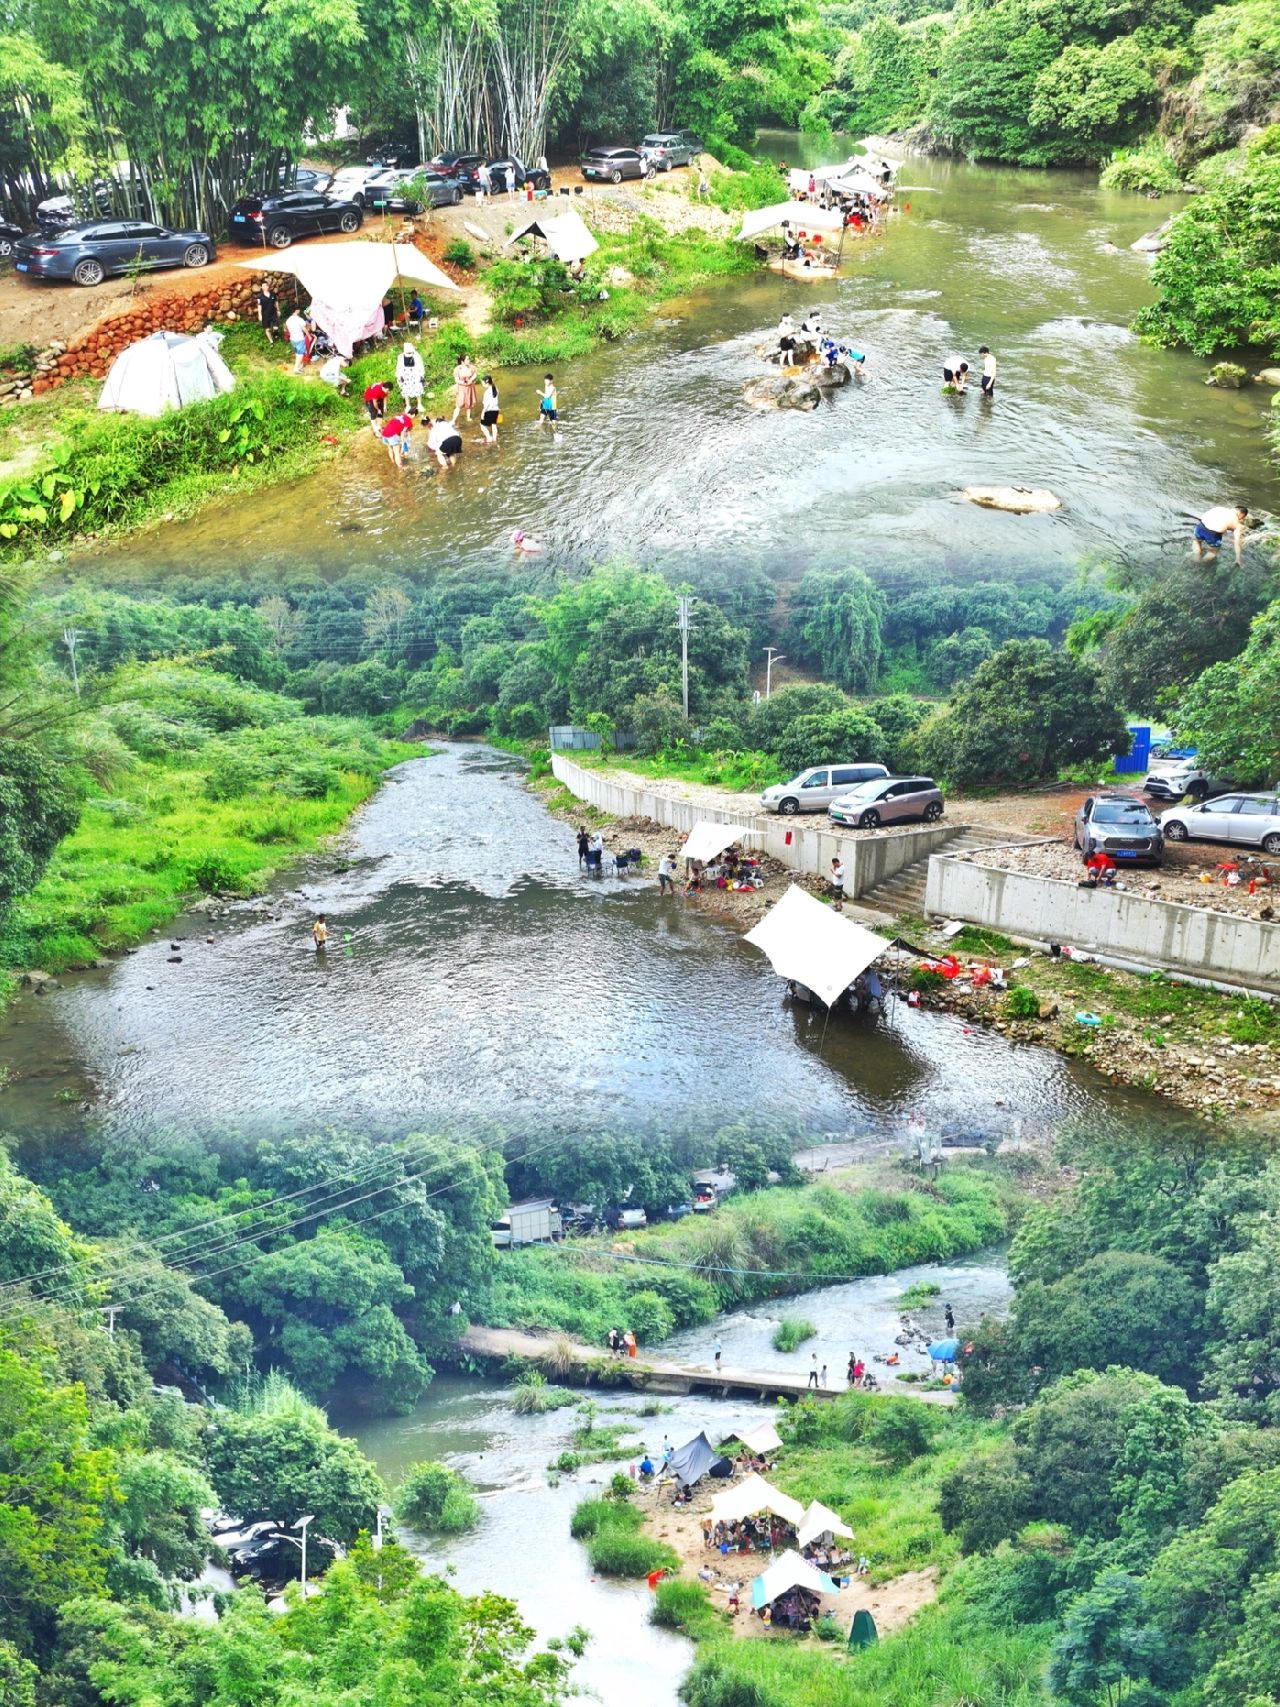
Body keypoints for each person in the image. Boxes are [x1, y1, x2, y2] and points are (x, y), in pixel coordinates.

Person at [396, 342, 425, 415]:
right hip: (405, 376)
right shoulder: (400, 357)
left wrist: (422, 375)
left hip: (415, 375)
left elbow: (421, 366)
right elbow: (399, 367)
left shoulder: (417, 356)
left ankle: (419, 404)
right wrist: (399, 377)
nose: (409, 354)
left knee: (418, 389)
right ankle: (408, 405)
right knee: (405, 390)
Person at [453, 353, 478, 424]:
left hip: (470, 387)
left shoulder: (471, 367)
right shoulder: (457, 369)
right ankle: (453, 420)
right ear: (462, 361)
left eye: (469, 359)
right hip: (461, 388)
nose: (469, 360)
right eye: (467, 359)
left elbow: (475, 374)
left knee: (469, 403)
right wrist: (462, 383)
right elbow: (456, 379)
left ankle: (468, 417)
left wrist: (471, 380)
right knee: (459, 404)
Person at [285, 307, 308, 372]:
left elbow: (287, 328)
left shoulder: (288, 320)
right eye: (299, 309)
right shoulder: (299, 319)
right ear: (296, 310)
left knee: (297, 353)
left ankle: (300, 367)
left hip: (292, 338)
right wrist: (308, 335)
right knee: (301, 354)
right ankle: (296, 368)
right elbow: (304, 328)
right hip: (299, 338)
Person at [479, 375, 500, 444]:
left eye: (482, 383)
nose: (482, 385)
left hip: (489, 411)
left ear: (487, 383)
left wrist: (482, 413)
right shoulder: (496, 389)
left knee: (482, 426)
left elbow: (486, 405)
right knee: (494, 425)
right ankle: (494, 439)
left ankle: (489, 438)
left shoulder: (487, 392)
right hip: (496, 410)